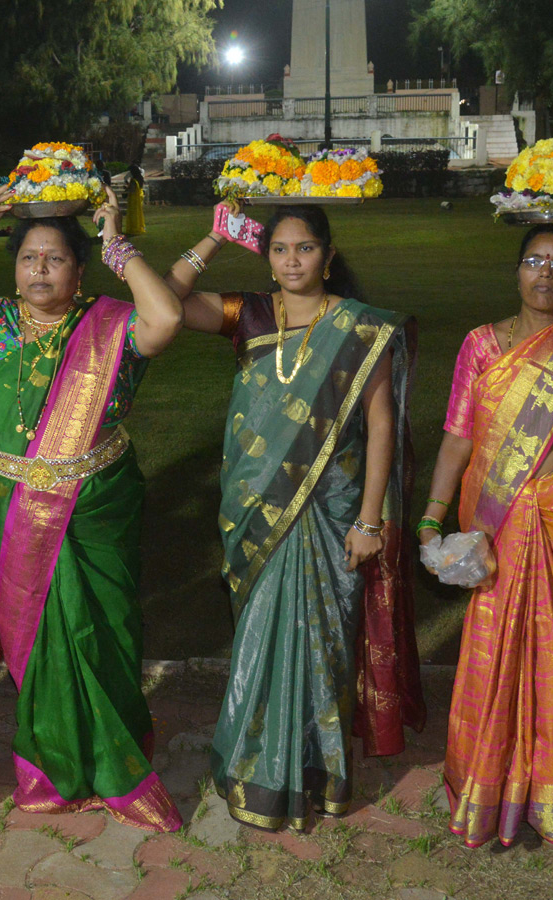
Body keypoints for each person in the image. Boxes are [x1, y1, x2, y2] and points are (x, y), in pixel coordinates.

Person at [0, 184, 185, 831]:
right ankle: (53, 767)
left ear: (80, 272)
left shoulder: (110, 326)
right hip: (10, 509)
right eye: (28, 259)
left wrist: (119, 245)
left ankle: (116, 765)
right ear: (13, 266)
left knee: (104, 635)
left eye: (55, 260)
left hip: (96, 509)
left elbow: (165, 319)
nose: (40, 271)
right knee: (39, 645)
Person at [165, 202, 422, 830]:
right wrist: (214, 236)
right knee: (258, 635)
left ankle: (313, 774)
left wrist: (369, 521)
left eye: (305, 248)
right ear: (267, 256)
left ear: (328, 257)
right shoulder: (249, 313)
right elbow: (167, 305)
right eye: (279, 249)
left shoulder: (362, 329)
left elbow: (382, 425)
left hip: (335, 508)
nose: (291, 261)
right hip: (256, 507)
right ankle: (256, 767)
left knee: (325, 644)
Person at [419, 218, 553, 849]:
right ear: (515, 269)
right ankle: (489, 795)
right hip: (501, 525)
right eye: (534, 260)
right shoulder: (482, 344)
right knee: (495, 659)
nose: (545, 273)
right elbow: (459, 435)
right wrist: (432, 514)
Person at [123, 164, 145, 237]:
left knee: (133, 214)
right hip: (139, 197)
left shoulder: (133, 180)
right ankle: (139, 227)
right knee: (138, 213)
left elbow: (132, 190)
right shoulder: (141, 178)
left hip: (133, 198)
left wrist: (126, 190)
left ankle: (133, 229)